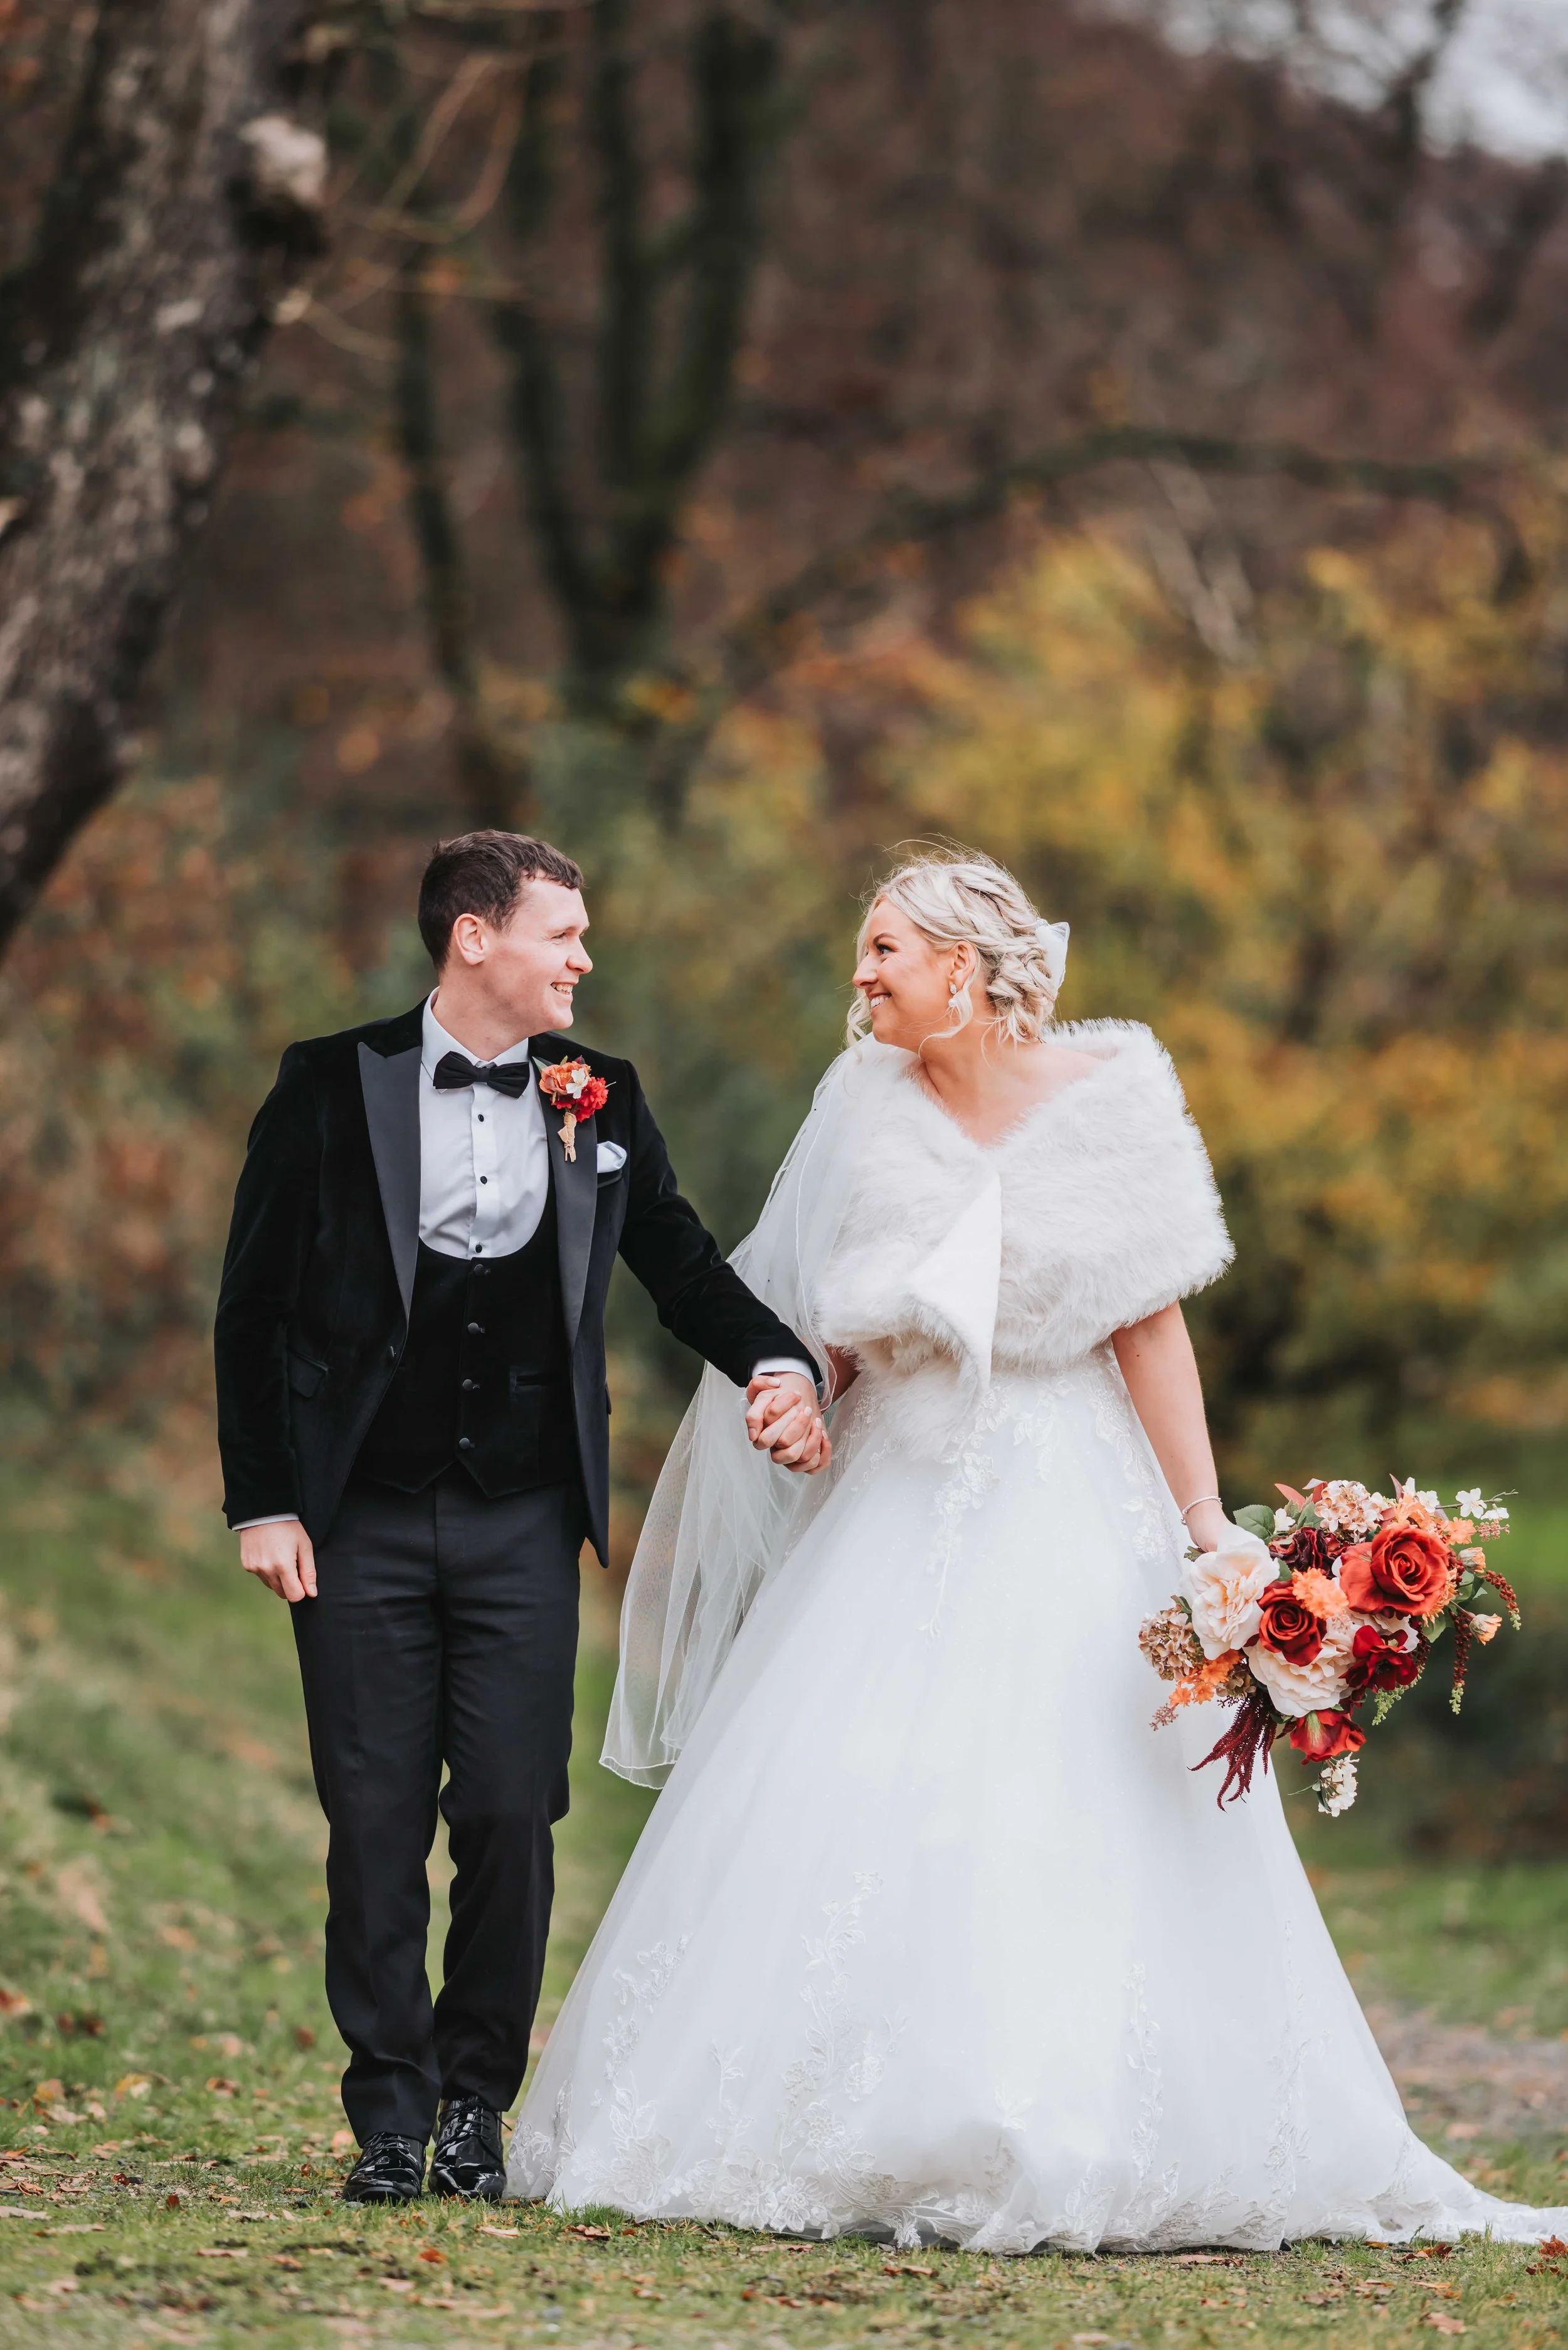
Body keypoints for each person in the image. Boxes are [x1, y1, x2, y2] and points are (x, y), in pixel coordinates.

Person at [508, 848, 1568, 2251]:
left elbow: (1148, 1324)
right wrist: (795, 1394)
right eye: (863, 947)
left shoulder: (1110, 1097)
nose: (862, 971)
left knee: (1071, 1781)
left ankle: (1086, 2115)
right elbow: (819, 1318)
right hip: (895, 1484)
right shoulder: (861, 1104)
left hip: (1069, 1478)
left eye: (885, 947)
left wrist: (1207, 1538)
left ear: (961, 963)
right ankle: (825, 2111)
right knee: (866, 1777)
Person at [214, 830, 828, 2206]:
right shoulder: (331, 1083)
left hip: (521, 1511)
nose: (583, 957)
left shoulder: (599, 1093)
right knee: (371, 1815)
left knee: (506, 1810)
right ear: (474, 937)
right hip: (354, 1512)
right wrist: (262, 1496)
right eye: (565, 932)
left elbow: (675, 1258)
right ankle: (388, 2112)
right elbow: (251, 1309)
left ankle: (474, 2103)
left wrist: (779, 1358)